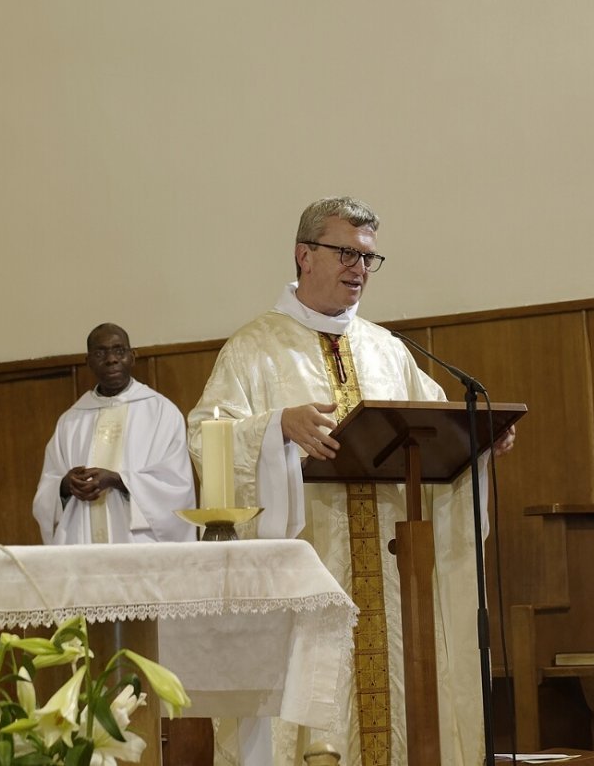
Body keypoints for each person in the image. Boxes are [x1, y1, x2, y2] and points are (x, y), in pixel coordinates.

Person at [188, 197, 513, 766]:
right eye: (345, 253)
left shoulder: (388, 349)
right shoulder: (254, 348)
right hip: (312, 565)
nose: (359, 268)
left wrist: (480, 439)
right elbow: (205, 434)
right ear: (303, 255)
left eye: (369, 257)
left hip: (394, 572)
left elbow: (435, 426)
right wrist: (276, 428)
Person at [33, 322, 196, 544]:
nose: (111, 359)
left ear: (133, 356)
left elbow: (176, 487)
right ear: (87, 361)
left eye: (119, 351)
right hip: (82, 546)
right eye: (100, 353)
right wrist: (64, 486)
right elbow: (46, 490)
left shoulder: (161, 413)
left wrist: (118, 480)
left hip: (139, 545)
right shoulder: (70, 421)